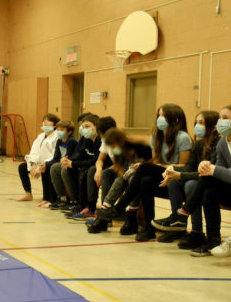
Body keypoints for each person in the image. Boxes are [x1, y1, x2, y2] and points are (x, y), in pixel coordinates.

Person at [97, 104, 192, 241]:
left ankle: (119, 208)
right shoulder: (156, 136)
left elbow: (184, 165)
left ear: (175, 120)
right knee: (144, 180)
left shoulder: (183, 137)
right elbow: (157, 162)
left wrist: (146, 166)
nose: (159, 118)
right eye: (158, 115)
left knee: (143, 168)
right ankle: (149, 227)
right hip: (163, 176)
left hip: (177, 178)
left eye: (163, 116)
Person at [162, 106, 231, 256]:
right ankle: (213, 238)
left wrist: (212, 169)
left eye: (225, 118)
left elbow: (217, 171)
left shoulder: (215, 143)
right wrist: (206, 167)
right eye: (220, 118)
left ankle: (183, 214)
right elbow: (217, 170)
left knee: (204, 180)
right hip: (225, 189)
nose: (221, 121)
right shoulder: (223, 143)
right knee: (209, 191)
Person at [152, 110, 220, 246]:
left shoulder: (219, 144)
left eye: (201, 123)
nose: (197, 126)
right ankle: (177, 226)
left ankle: (197, 232)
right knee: (173, 181)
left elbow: (209, 173)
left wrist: (180, 174)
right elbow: (189, 166)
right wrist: (173, 169)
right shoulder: (199, 144)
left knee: (190, 184)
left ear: (213, 127)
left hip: (213, 183)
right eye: (196, 123)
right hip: (200, 180)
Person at [86, 128, 152, 233]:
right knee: (117, 180)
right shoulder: (119, 150)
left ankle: (131, 219)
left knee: (132, 182)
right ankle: (103, 217)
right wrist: (123, 179)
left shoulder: (143, 148)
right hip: (127, 175)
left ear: (121, 141)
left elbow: (151, 166)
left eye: (113, 146)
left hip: (141, 177)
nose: (113, 149)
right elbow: (120, 168)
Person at [50, 113, 100, 214]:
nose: (84, 129)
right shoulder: (86, 139)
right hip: (86, 165)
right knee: (56, 167)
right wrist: (68, 161)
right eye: (83, 126)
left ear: (96, 127)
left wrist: (73, 164)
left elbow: (95, 160)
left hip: (97, 167)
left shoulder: (100, 140)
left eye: (87, 126)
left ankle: (86, 205)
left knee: (87, 171)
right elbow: (79, 154)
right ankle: (62, 199)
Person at [72, 116, 117, 220]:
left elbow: (122, 164)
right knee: (93, 170)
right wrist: (99, 169)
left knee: (106, 174)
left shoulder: (119, 141)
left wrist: (104, 171)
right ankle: (90, 208)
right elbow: (100, 159)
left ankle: (104, 213)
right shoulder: (105, 140)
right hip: (113, 168)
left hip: (124, 169)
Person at [17, 113, 60, 204]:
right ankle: (28, 193)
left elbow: (54, 155)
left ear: (55, 125)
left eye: (48, 121)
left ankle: (47, 197)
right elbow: (34, 151)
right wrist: (32, 164)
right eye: (44, 121)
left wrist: (41, 166)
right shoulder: (40, 136)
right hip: (38, 163)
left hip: (49, 163)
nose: (45, 123)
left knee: (46, 169)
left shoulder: (57, 137)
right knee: (22, 167)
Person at [44, 120, 78, 207]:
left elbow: (69, 157)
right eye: (58, 129)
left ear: (69, 132)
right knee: (52, 167)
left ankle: (74, 200)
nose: (59, 131)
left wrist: (64, 161)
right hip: (62, 163)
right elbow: (56, 158)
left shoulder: (71, 141)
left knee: (62, 169)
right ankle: (62, 198)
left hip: (72, 164)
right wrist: (45, 164)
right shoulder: (59, 140)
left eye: (62, 130)